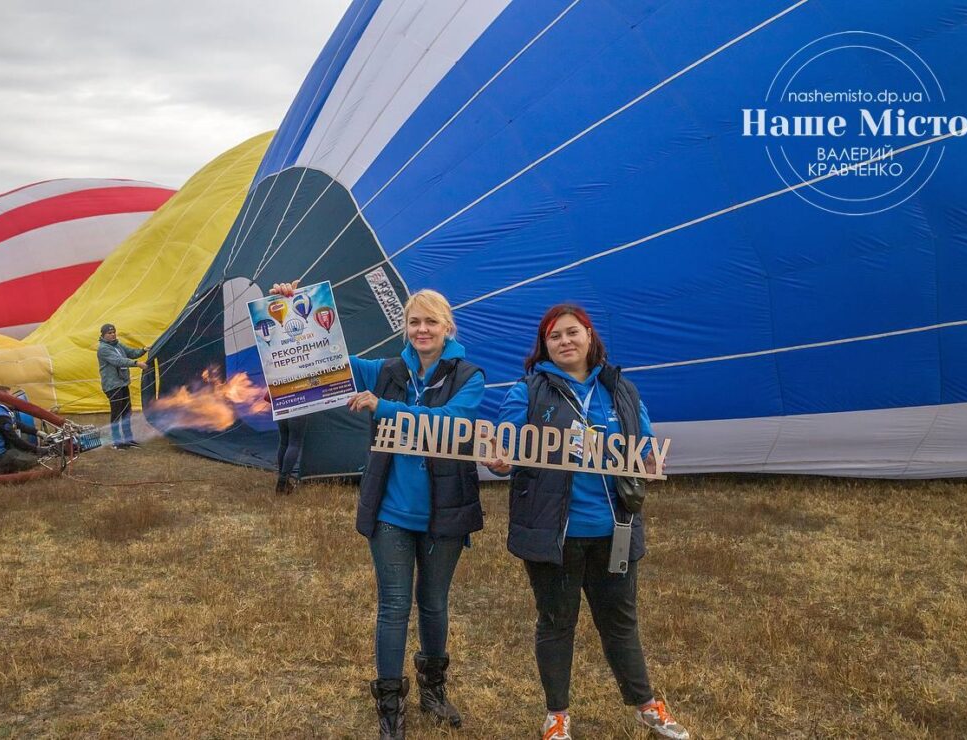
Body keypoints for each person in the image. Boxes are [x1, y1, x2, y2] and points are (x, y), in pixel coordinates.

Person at [270, 280, 484, 740]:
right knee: (393, 606)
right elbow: (326, 361)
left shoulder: (469, 377)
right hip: (391, 508)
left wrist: (384, 407)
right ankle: (390, 705)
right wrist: (294, 312)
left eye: (430, 321)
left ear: (447, 327)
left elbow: (456, 424)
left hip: (444, 509)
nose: (421, 329)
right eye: (414, 322)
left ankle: (433, 691)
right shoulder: (385, 369)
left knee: (433, 603)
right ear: (404, 328)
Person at [485, 304, 689, 740]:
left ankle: (647, 705)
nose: (565, 342)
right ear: (545, 346)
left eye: (572, 333)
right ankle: (557, 716)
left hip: (614, 529)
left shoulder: (621, 390)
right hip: (554, 533)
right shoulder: (530, 390)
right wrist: (502, 453)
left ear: (590, 337)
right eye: (555, 336)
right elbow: (506, 430)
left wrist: (651, 455)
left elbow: (645, 439)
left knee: (620, 621)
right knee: (557, 622)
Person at [96, 323, 148, 450]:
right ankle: (116, 441)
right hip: (113, 386)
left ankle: (128, 439)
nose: (112, 334)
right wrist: (136, 364)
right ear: (103, 335)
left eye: (113, 332)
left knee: (126, 413)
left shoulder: (118, 345)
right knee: (117, 414)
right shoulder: (103, 349)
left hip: (123, 383)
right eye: (109, 333)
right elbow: (117, 361)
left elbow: (131, 352)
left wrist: (144, 350)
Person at [0, 386, 47, 474]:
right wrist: (37, 450)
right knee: (37, 460)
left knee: (25, 448)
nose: (14, 399)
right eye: (10, 397)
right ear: (1, 399)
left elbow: (17, 423)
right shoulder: (0, 416)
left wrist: (37, 432)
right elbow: (15, 439)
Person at [275, 416, 308, 494]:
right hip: (297, 410)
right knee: (294, 444)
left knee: (283, 443)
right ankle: (283, 482)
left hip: (281, 409)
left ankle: (282, 478)